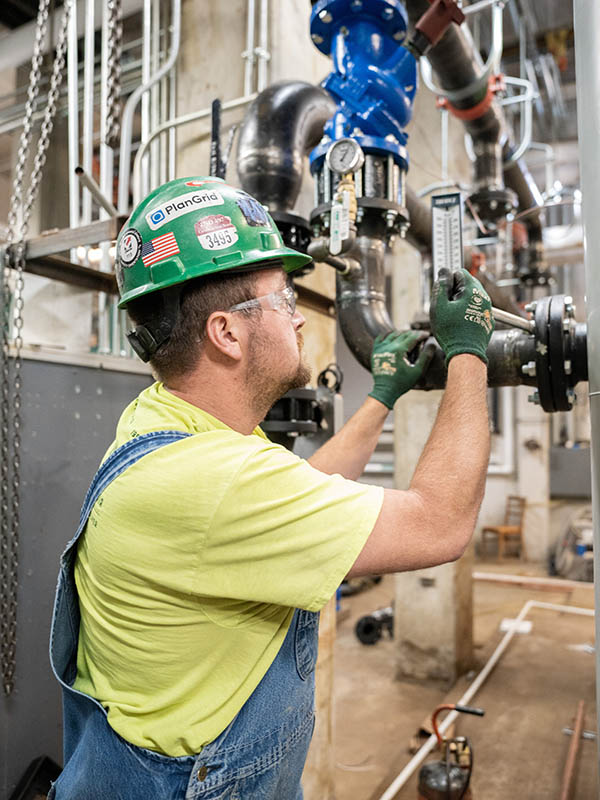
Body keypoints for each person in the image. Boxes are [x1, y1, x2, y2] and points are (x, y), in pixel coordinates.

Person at [49, 176, 493, 800]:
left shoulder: (174, 423)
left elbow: (304, 489)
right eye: (285, 297)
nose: (298, 317)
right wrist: (471, 353)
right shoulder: (212, 482)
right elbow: (441, 523)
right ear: (227, 333)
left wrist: (382, 395)